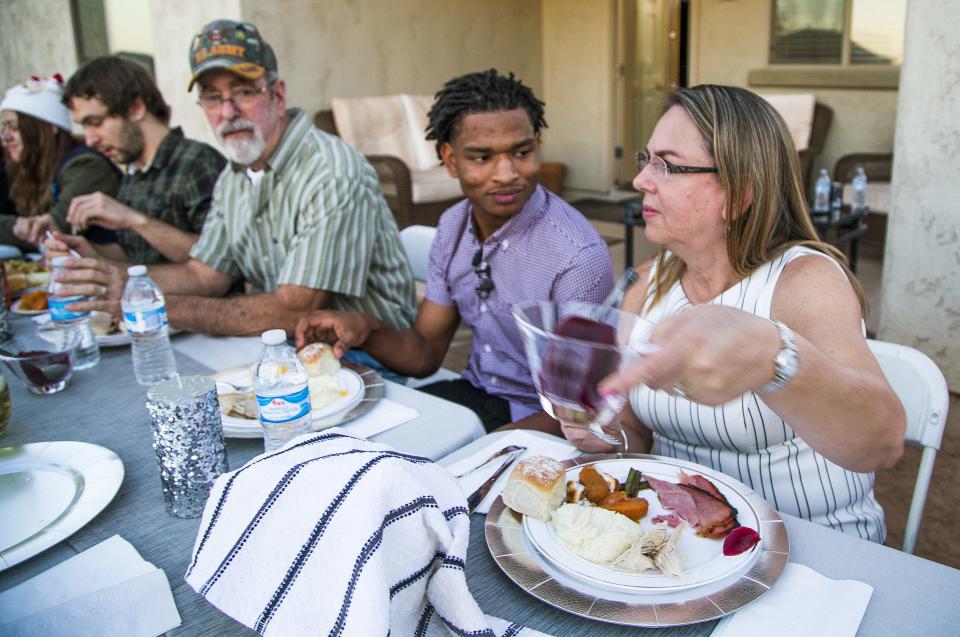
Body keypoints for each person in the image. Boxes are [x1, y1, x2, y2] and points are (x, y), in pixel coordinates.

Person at [573, 85, 904, 542]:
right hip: (688, 544)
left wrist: (774, 360)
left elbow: (881, 444)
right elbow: (635, 432)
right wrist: (604, 435)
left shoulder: (803, 282)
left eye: (667, 165)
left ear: (739, 192)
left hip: (817, 544)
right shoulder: (645, 284)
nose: (641, 181)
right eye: (645, 159)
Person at [46, 19, 415, 338]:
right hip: (293, 347)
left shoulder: (330, 171)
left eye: (243, 92)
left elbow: (293, 310)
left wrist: (147, 303)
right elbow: (205, 275)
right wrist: (109, 276)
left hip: (372, 359)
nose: (227, 112)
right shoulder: (235, 175)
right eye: (212, 97)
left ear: (278, 94)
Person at [296, 69, 615, 432]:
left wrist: (480, 447)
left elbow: (579, 411)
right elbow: (425, 353)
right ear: (450, 160)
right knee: (345, 439)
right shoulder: (452, 227)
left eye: (522, 152)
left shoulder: (577, 256)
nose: (507, 173)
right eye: (482, 158)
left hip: (543, 423)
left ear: (537, 143)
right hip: (476, 395)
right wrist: (364, 329)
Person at [47, 56, 227, 264]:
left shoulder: (197, 163)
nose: (90, 140)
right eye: (83, 127)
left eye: (95, 122)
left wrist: (133, 219)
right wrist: (84, 251)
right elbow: (136, 255)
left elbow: (218, 263)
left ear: (136, 108)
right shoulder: (133, 173)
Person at [0, 74, 120, 250]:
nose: (5, 137)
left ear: (50, 128)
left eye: (15, 127)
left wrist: (18, 226)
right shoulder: (31, 167)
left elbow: (53, 232)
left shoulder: (86, 166)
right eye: (3, 128)